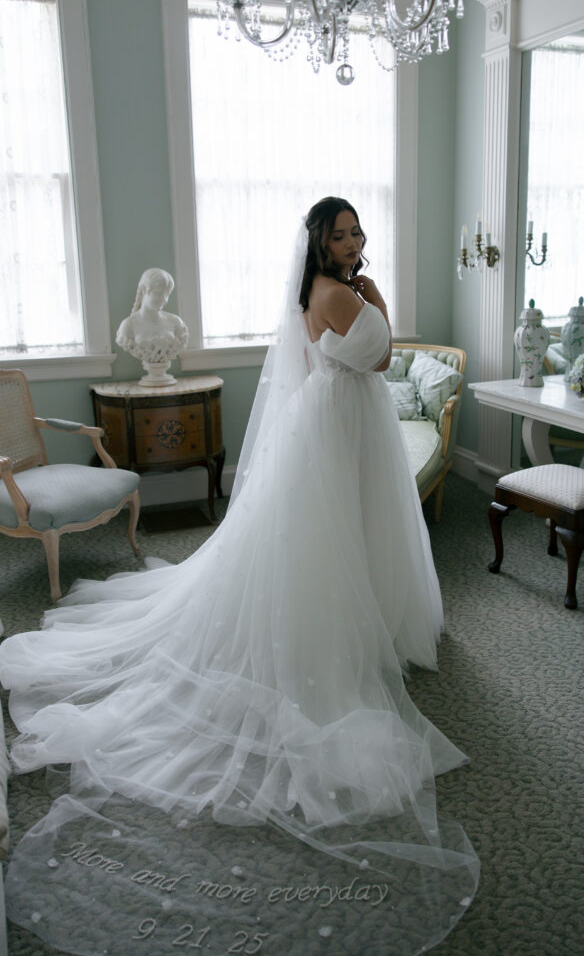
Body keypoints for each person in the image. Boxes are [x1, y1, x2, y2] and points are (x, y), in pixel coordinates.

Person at [0, 198, 478, 956]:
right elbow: (383, 356)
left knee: (352, 528)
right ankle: (336, 626)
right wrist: (375, 295)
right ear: (320, 245)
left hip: (342, 418)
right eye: (341, 234)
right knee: (331, 536)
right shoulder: (335, 292)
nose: (353, 242)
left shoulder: (326, 291)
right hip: (341, 418)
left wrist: (369, 296)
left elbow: (369, 353)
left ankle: (372, 613)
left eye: (357, 231)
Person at [115, 267, 189, 363]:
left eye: (167, 294)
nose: (164, 299)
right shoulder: (128, 325)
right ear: (145, 290)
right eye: (159, 293)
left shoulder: (176, 322)